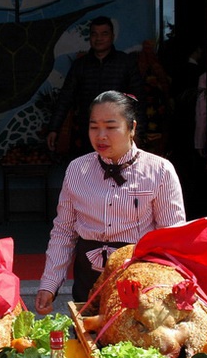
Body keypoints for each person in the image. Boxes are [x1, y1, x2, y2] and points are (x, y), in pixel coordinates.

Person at [34, 90, 186, 314]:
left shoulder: (160, 171)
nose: (101, 136)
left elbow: (171, 238)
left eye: (111, 127)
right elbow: (63, 232)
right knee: (87, 332)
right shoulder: (77, 169)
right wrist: (49, 284)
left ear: (132, 128)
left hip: (139, 280)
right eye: (94, 127)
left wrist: (172, 287)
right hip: (87, 280)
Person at [46, 16, 145, 156]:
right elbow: (65, 98)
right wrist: (54, 129)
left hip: (118, 131)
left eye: (104, 34)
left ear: (112, 36)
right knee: (89, 167)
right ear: (90, 37)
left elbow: (138, 101)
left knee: (118, 167)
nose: (99, 38)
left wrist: (138, 133)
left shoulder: (126, 63)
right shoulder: (80, 65)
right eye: (94, 34)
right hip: (87, 133)